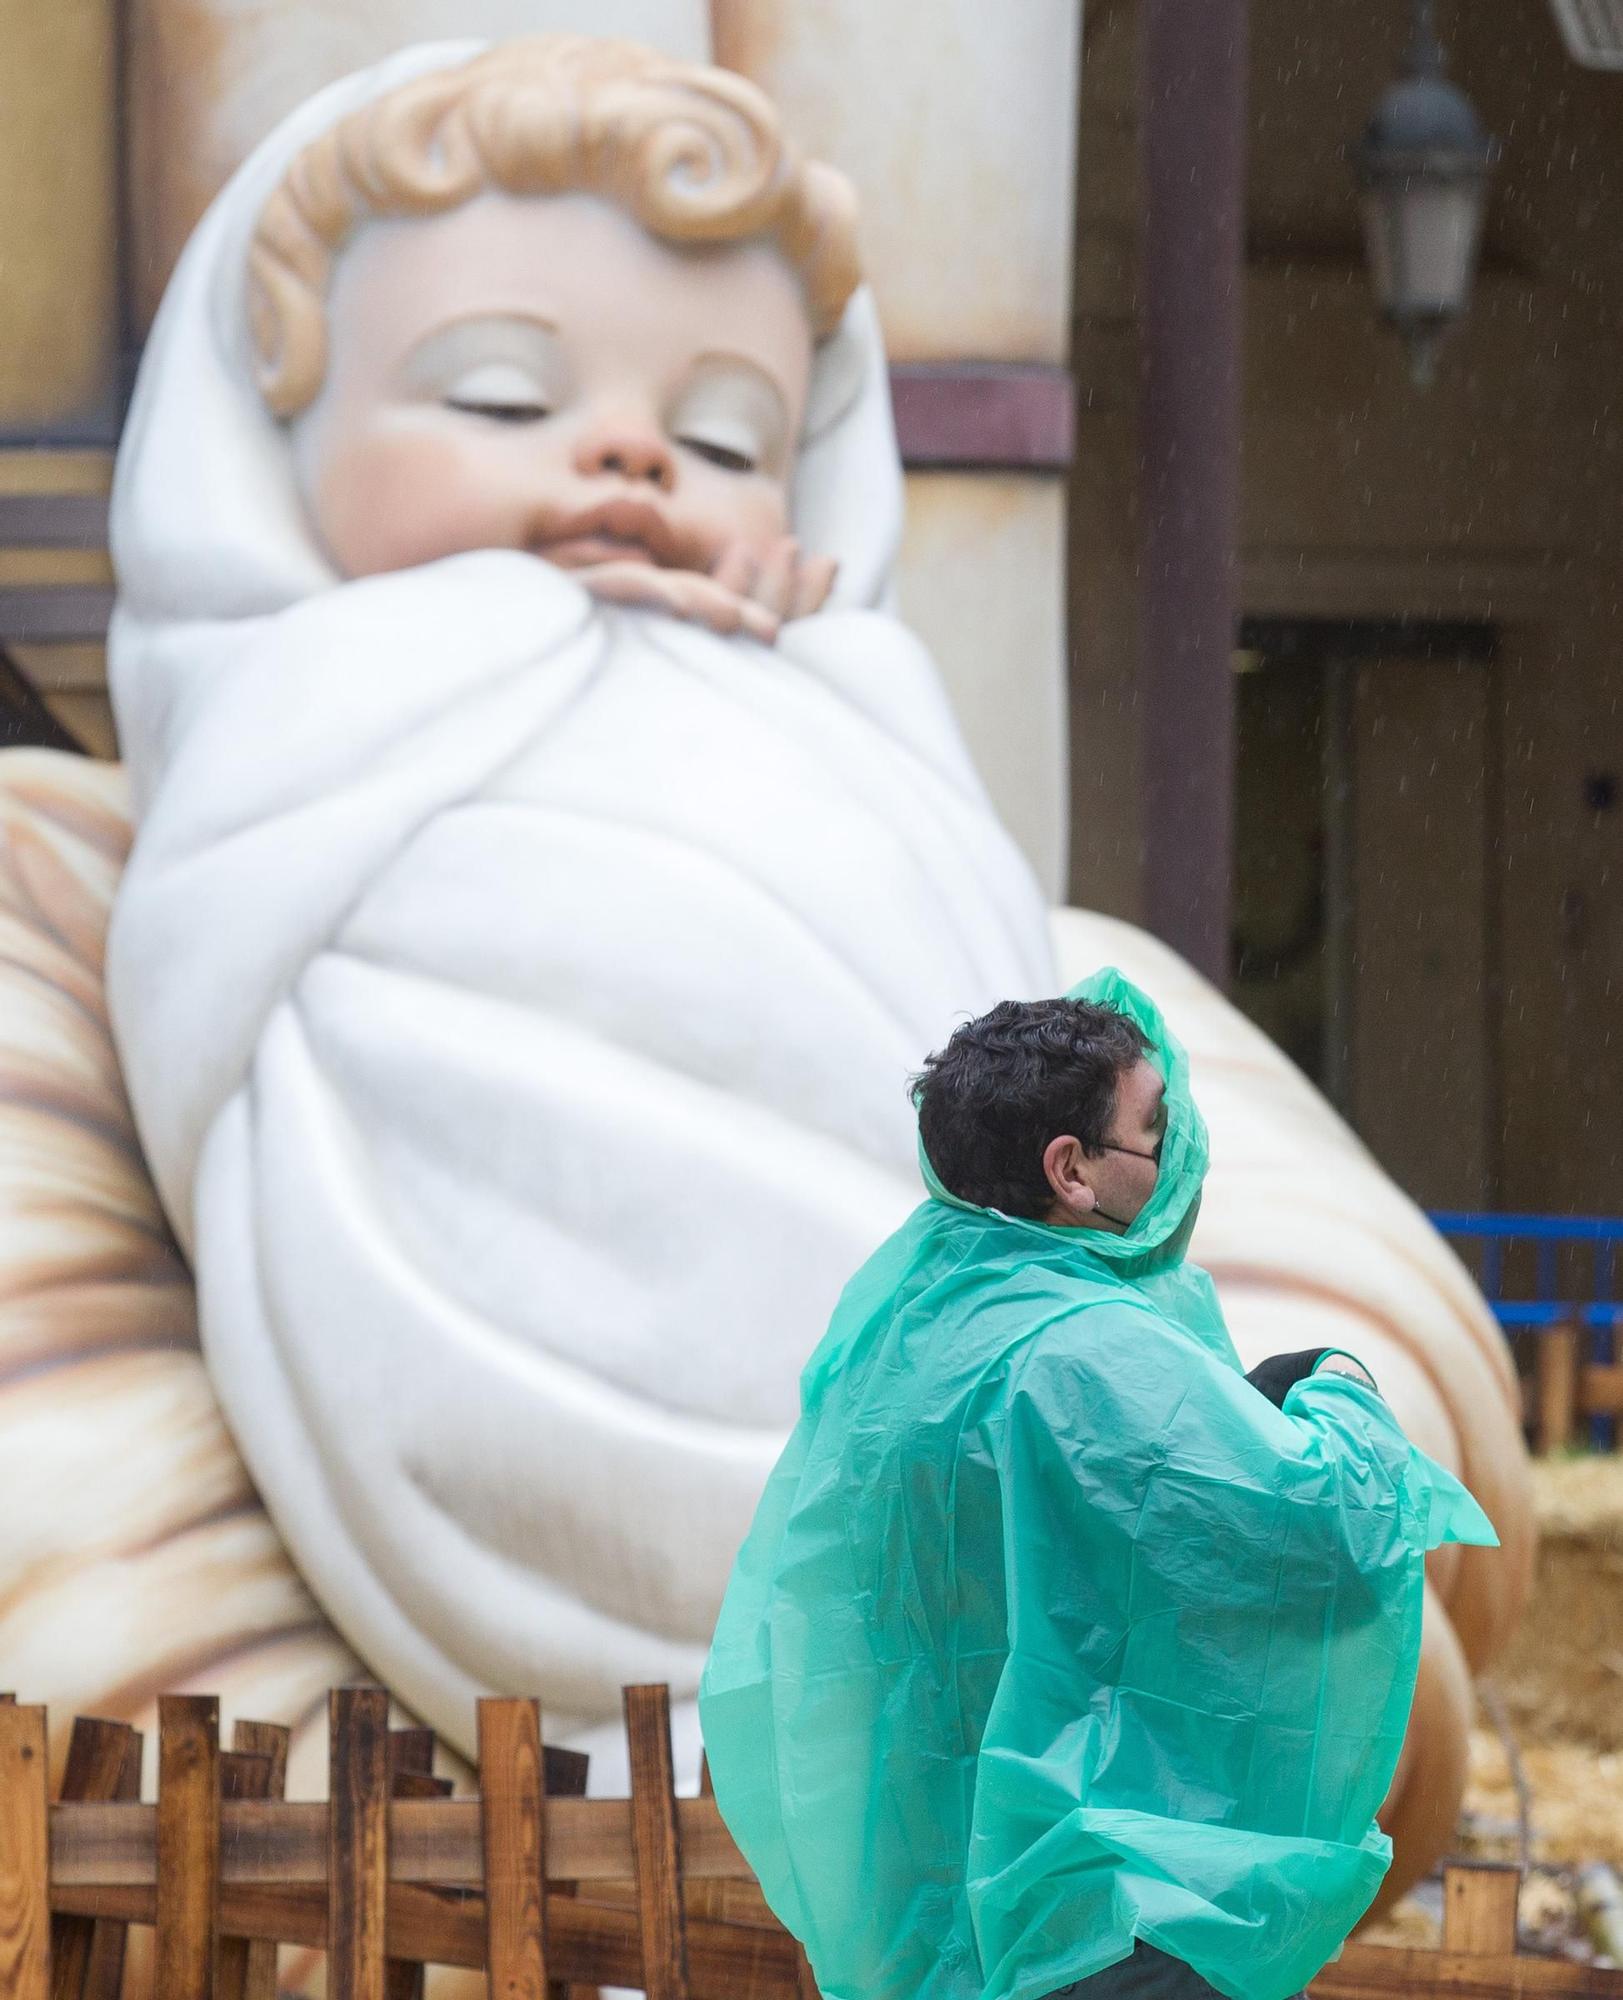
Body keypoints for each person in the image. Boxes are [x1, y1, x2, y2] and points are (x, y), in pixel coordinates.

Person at [105, 34, 1055, 1791]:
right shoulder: (305, 725)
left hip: (914, 1458)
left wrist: (832, 692)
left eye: (721, 434)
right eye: (490, 398)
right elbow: (203, 958)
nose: (628, 454)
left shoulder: (838, 704)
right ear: (257, 438)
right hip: (501, 1459)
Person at [698, 967, 1499, 2000]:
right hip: (1101, 1919)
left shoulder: (901, 1336)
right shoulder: (1091, 1354)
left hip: (935, 1918)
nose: (1178, 1158)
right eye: (1155, 1133)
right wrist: (1334, 1382)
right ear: (1071, 1170)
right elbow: (1329, 1521)